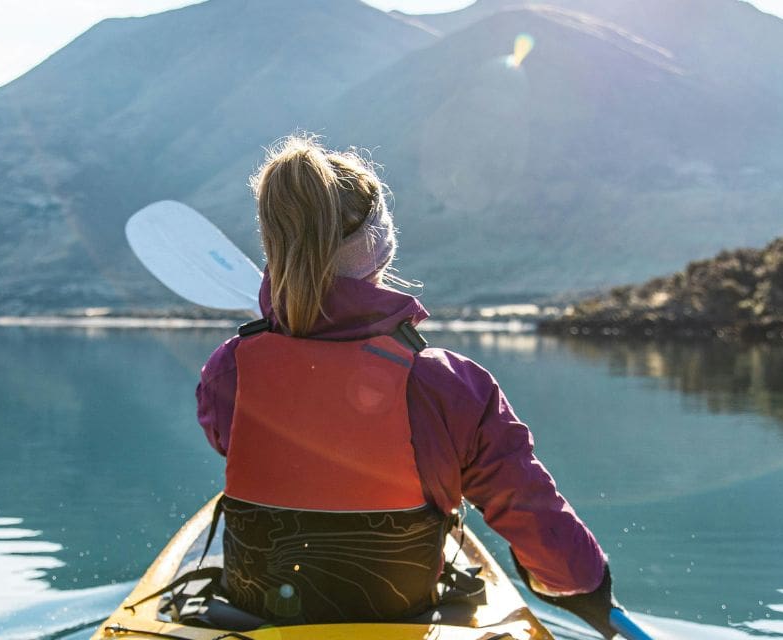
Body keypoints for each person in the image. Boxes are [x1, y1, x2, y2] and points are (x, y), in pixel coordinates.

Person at [196, 134, 621, 637]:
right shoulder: (448, 384)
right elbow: (533, 518)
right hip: (402, 618)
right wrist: (587, 587)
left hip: (259, 613)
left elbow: (235, 440)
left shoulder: (229, 371)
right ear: (378, 246)